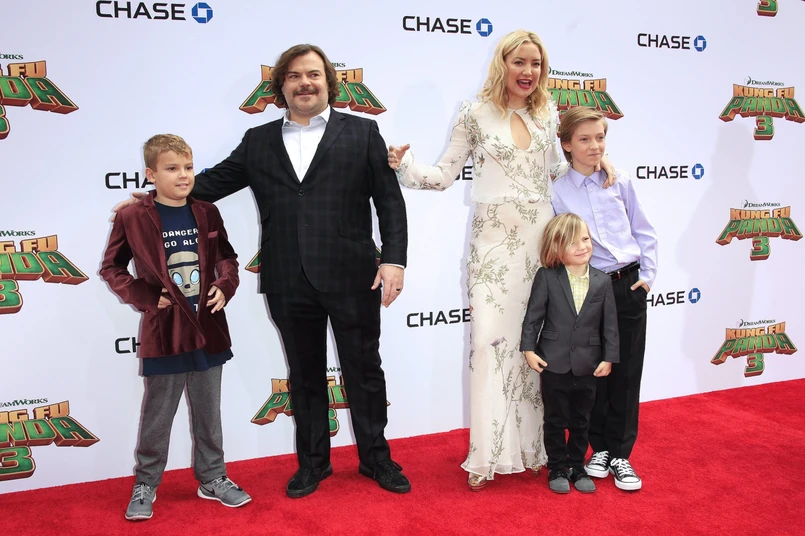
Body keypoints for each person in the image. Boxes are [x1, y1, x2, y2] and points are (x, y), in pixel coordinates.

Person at [113, 44, 410, 498]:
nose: (304, 83)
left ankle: (377, 459)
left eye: (313, 74)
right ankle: (313, 464)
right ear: (281, 86)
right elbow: (209, 184)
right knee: (304, 374)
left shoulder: (363, 132)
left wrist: (393, 259)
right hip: (288, 277)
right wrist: (153, 199)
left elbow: (389, 201)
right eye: (294, 76)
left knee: (364, 370)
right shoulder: (259, 141)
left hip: (353, 275)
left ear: (329, 82)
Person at [387, 29, 615, 490]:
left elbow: (556, 172)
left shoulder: (547, 112)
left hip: (540, 244)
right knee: (489, 345)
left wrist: (596, 163)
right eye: (519, 62)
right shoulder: (473, 113)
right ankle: (487, 455)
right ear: (502, 64)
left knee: (538, 347)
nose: (528, 71)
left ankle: (533, 450)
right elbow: (444, 174)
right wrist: (403, 165)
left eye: (536, 63)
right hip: (492, 249)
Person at [101, 134, 250, 521]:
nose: (183, 175)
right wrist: (147, 296)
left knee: (208, 413)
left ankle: (212, 477)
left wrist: (225, 285)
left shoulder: (207, 212)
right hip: (164, 332)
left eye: (188, 167)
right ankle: (146, 482)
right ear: (151, 174)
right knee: (157, 415)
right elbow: (112, 268)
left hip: (209, 329)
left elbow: (227, 258)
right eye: (172, 168)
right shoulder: (133, 217)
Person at [551, 106, 658, 491]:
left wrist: (646, 277)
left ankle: (621, 453)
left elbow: (644, 230)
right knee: (594, 373)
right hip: (590, 290)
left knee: (627, 372)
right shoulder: (557, 191)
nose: (595, 146)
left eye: (600, 137)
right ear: (566, 145)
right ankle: (598, 448)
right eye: (584, 139)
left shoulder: (620, 181)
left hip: (628, 286)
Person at [520, 213, 619, 494]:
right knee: (554, 419)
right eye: (572, 242)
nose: (582, 246)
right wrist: (528, 348)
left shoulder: (602, 280)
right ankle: (557, 468)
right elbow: (533, 316)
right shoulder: (547, 276)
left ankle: (577, 466)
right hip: (553, 362)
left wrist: (609, 357)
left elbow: (610, 324)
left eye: (585, 239)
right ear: (556, 246)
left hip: (588, 364)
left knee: (581, 420)